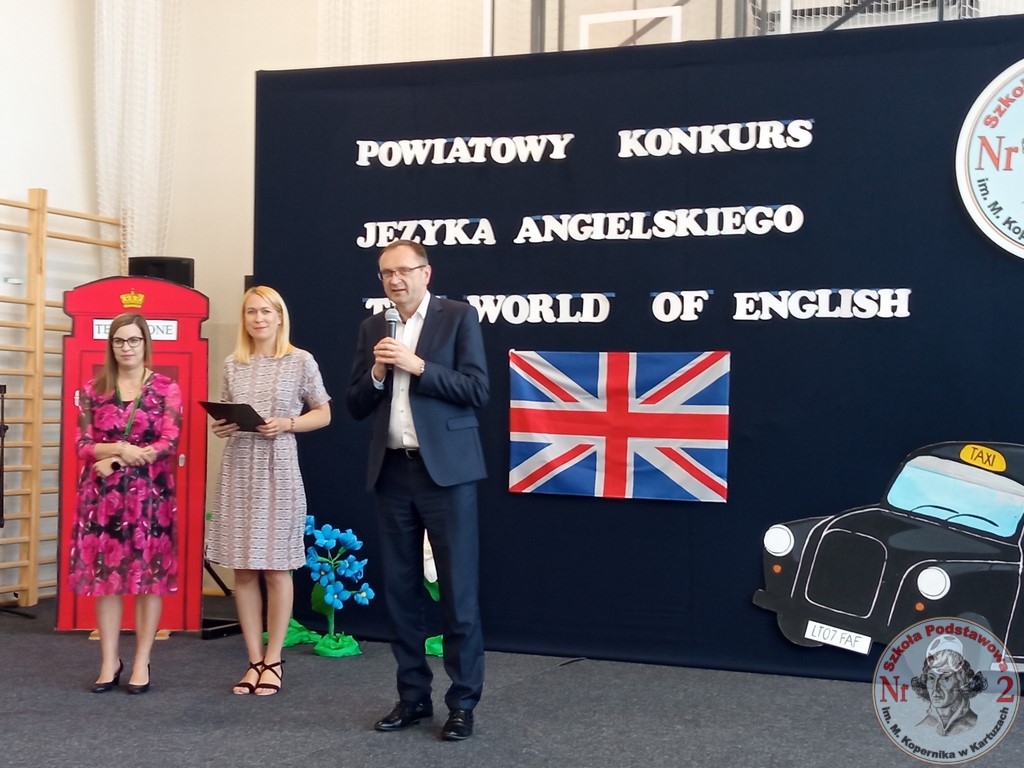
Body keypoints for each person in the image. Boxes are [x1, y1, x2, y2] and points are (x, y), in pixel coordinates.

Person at [346, 239, 489, 740]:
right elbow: (356, 404)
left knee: (458, 592)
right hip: (392, 472)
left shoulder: (458, 317)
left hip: (446, 472)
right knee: (400, 593)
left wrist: (418, 365)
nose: (395, 280)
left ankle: (463, 702)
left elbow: (477, 390)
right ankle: (413, 697)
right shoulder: (373, 328)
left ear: (427, 273)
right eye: (386, 273)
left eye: (404, 270)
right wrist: (378, 372)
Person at [205, 285, 331, 696]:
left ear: (280, 316)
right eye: (251, 312)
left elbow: (324, 413)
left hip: (278, 470)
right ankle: (253, 660)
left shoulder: (300, 360)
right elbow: (227, 413)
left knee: (277, 568)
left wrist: (287, 423)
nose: (258, 318)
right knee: (242, 570)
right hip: (239, 470)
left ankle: (274, 660)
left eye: (266, 311)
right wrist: (223, 425)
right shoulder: (233, 364)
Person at [68, 312, 182, 694]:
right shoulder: (93, 389)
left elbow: (169, 442)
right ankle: (108, 661)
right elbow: (82, 444)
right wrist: (118, 448)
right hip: (102, 498)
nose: (126, 347)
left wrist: (121, 458)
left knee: (149, 580)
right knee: (107, 580)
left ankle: (141, 660)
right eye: (119, 341)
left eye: (134, 340)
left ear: (145, 343)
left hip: (151, 497)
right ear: (111, 345)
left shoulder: (166, 388)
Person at [910, 635, 987, 736]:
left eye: (945, 678)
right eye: (931, 678)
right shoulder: (920, 729)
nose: (935, 688)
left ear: (962, 679)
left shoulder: (981, 728)